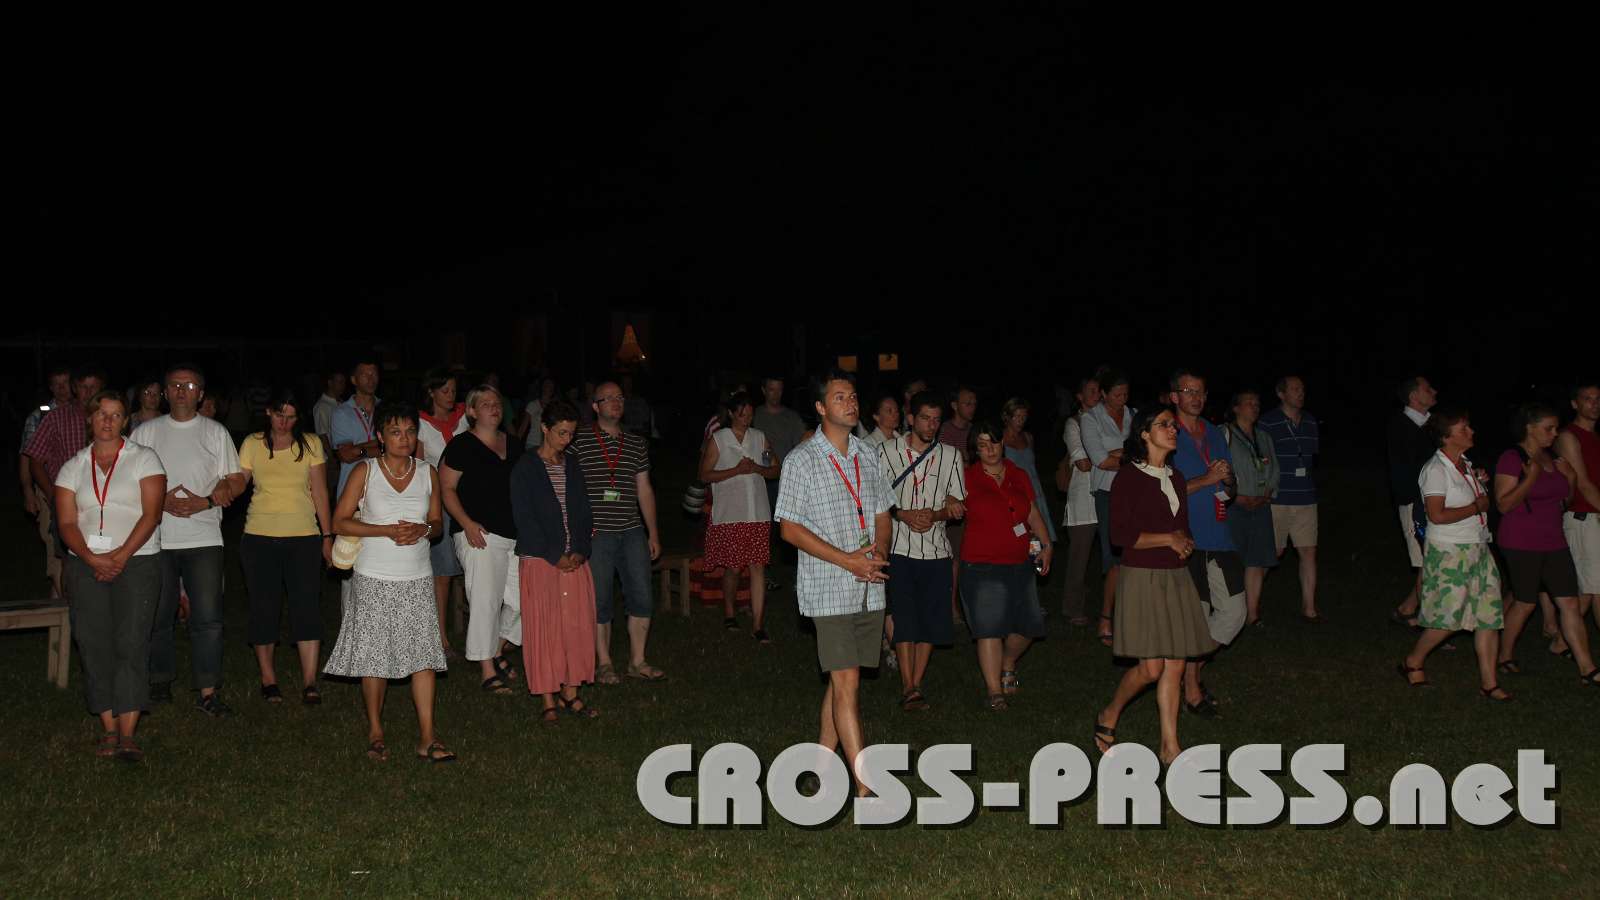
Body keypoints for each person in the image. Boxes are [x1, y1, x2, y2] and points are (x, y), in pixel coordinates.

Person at [774, 370, 893, 796]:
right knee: (847, 683)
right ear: (821, 407)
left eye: (854, 395)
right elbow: (789, 529)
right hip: (829, 588)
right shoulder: (801, 460)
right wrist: (848, 561)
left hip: (868, 585)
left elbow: (882, 512)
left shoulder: (867, 454)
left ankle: (821, 767)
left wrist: (877, 553)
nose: (851, 402)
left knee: (843, 679)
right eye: (840, 397)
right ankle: (864, 788)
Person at [325, 401, 454, 762]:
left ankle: (428, 737)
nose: (404, 438)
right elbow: (339, 521)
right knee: (374, 656)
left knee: (423, 657)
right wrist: (384, 530)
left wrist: (422, 529)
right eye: (396, 432)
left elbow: (437, 523)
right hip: (374, 576)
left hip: (417, 576)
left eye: (410, 431)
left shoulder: (428, 472)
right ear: (380, 436)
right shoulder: (365, 471)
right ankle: (376, 731)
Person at [1093, 406, 1216, 765]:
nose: (1172, 429)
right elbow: (1120, 536)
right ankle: (1109, 712)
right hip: (1142, 577)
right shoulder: (1128, 477)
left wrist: (1185, 542)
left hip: (1175, 577)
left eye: (1173, 425)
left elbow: (1180, 527)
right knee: (1151, 669)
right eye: (1164, 424)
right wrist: (1168, 539)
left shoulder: (1176, 478)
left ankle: (1169, 746)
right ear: (1144, 434)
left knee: (1175, 665)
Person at [55, 390, 166, 762]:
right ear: (90, 418)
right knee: (93, 642)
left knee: (131, 641)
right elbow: (66, 522)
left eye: (116, 415)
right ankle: (108, 727)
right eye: (101, 414)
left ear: (125, 421)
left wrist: (120, 556)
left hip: (137, 561)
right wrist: (91, 557)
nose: (107, 421)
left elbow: (151, 514)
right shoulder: (73, 466)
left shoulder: (144, 458)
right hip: (86, 563)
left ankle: (129, 732)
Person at [133, 365, 244, 716]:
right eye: (175, 385)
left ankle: (208, 691)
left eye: (190, 385)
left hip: (204, 537)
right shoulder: (146, 432)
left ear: (201, 393)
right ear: (166, 392)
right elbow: (128, 478)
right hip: (157, 539)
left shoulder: (215, 432)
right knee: (158, 615)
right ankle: (159, 681)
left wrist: (208, 500)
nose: (182, 391)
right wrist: (158, 500)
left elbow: (236, 479)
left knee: (208, 618)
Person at [1398, 407, 1510, 700]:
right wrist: (1475, 506)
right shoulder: (1435, 470)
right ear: (1446, 437)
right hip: (1450, 551)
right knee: (1449, 619)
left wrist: (1479, 487)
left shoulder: (1467, 465)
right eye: (1463, 429)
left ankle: (1489, 683)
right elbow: (1436, 515)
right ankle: (1413, 660)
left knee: (1488, 616)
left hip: (1478, 547)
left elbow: (1479, 500)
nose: (1471, 432)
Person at [237, 389, 334, 704]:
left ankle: (309, 681)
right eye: (280, 415)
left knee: (306, 606)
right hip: (259, 536)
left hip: (303, 536)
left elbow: (320, 491)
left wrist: (327, 536)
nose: (284, 422)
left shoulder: (311, 444)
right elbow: (239, 482)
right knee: (264, 607)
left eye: (291, 417)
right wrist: (219, 490)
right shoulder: (252, 443)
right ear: (268, 412)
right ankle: (268, 679)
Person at [1492, 403, 1597, 685]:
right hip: (1521, 541)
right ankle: (1504, 655)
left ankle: (1587, 668)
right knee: (1525, 603)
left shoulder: (1551, 458)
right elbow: (1503, 504)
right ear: (1530, 428)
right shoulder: (1512, 458)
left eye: (1555, 428)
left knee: (1570, 603)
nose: (1554, 434)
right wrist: (1531, 478)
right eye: (1548, 429)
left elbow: (1563, 502)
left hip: (1554, 541)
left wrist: (1571, 479)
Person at [510, 400, 599, 724]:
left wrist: (580, 549)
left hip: (574, 559)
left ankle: (570, 691)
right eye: (561, 432)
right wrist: (553, 555)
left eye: (571, 433)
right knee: (544, 627)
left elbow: (584, 511)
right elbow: (524, 518)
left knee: (576, 626)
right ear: (544, 428)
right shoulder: (526, 467)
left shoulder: (572, 465)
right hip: (541, 559)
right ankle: (548, 695)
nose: (566, 439)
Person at [571, 382, 666, 683]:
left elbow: (644, 489)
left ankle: (638, 661)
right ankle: (604, 663)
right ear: (595, 406)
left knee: (642, 595)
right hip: (597, 533)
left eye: (620, 397)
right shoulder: (579, 440)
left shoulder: (636, 443)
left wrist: (653, 533)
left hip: (631, 530)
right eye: (608, 398)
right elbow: (567, 485)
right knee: (600, 599)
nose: (616, 402)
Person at [879, 390, 966, 710]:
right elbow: (876, 499)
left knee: (930, 619)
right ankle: (908, 685)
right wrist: (902, 514)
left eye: (936, 420)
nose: (931, 425)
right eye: (925, 418)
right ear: (911, 419)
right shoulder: (886, 452)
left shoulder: (951, 456)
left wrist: (937, 514)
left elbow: (957, 504)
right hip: (899, 547)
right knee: (904, 616)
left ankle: (915, 683)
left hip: (936, 550)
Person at [960, 420, 1052, 710]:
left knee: (1029, 626)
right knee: (988, 628)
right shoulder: (966, 477)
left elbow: (1032, 513)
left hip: (1019, 561)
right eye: (982, 445)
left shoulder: (1018, 473)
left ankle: (1008, 661)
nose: (990, 449)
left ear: (1002, 443)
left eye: (994, 442)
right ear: (975, 449)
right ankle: (994, 691)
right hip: (981, 564)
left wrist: (1046, 545)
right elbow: (950, 504)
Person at [1167, 370, 1244, 719]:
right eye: (1189, 391)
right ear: (1174, 396)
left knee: (1235, 612)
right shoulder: (1166, 432)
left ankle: (1191, 672)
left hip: (1220, 535)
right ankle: (1192, 690)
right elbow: (1161, 491)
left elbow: (1230, 488)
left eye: (1201, 391)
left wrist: (1227, 480)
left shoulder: (1214, 432)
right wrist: (1206, 479)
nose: (1196, 397)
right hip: (1186, 539)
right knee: (1196, 617)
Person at [440, 385, 526, 695]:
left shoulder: (514, 444)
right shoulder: (462, 445)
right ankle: (487, 669)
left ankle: (496, 648)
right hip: (478, 534)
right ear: (472, 411)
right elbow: (446, 488)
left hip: (515, 534)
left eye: (497, 402)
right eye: (486, 403)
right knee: (485, 601)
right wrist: (466, 523)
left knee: (525, 600)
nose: (494, 407)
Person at [699, 391, 780, 640]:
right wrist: (735, 470)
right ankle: (729, 612)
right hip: (730, 513)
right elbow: (704, 475)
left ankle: (758, 625)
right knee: (733, 568)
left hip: (758, 513)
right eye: (742, 414)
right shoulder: (719, 439)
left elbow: (775, 469)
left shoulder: (759, 438)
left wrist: (756, 468)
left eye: (750, 414)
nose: (747, 419)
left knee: (757, 567)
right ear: (732, 414)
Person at [1259, 375, 1322, 621]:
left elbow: (1311, 458)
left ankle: (1309, 608)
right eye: (1295, 389)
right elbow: (1261, 460)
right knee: (1273, 553)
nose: (1300, 393)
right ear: (1281, 393)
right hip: (1278, 498)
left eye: (1302, 389)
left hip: (1306, 496)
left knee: (1308, 552)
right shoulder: (1268, 422)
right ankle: (1248, 603)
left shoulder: (1310, 421)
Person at [1081, 368, 1135, 646]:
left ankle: (1132, 616)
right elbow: (1100, 461)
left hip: (1137, 492)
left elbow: (1147, 450)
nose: (1122, 399)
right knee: (1115, 557)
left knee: (1136, 555)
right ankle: (1106, 618)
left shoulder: (1134, 415)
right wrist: (1130, 454)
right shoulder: (1091, 418)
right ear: (1103, 394)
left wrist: (1117, 454)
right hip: (1109, 493)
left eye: (1125, 394)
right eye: (1116, 395)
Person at [417, 368, 469, 654]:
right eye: (445, 391)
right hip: (439, 502)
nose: (451, 396)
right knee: (444, 570)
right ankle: (440, 635)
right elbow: (419, 468)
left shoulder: (464, 417)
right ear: (431, 392)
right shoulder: (422, 424)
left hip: (468, 499)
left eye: (453, 390)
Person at [1223, 389, 1281, 627]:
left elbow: (1274, 468)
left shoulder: (1264, 437)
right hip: (1235, 506)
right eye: (1249, 403)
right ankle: (1230, 612)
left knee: (1257, 560)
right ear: (1236, 408)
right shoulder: (1224, 434)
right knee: (1234, 559)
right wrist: (1234, 496)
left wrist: (1267, 493)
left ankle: (1252, 614)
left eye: (1257, 403)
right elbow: (1217, 467)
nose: (1255, 407)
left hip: (1260, 506)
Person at [1386, 376, 1439, 625]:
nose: (1434, 391)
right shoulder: (1400, 426)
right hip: (1415, 504)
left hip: (1438, 503)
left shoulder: (1435, 425)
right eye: (1428, 389)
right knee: (1426, 563)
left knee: (1432, 562)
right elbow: (1405, 472)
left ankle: (1408, 608)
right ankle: (1429, 624)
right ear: (1413, 396)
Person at [19, 365, 73, 597]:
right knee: (55, 548)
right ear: (51, 387)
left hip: (79, 493)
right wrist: (28, 491)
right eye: (57, 384)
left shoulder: (86, 411)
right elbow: (27, 455)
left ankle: (60, 605)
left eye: (66, 383)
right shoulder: (39, 416)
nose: (62, 389)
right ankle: (64, 604)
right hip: (48, 489)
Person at [1555, 381, 1600, 637]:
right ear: (1575, 403)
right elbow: (1583, 484)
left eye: (1598, 399)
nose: (1595, 404)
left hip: (1595, 517)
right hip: (1584, 519)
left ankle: (1562, 642)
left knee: (1588, 590)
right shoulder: (1568, 436)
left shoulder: (1595, 437)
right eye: (1588, 399)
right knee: (1594, 589)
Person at [1058, 376, 1101, 623]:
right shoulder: (1073, 423)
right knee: (1079, 559)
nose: (1097, 394)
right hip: (1083, 501)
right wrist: (1109, 457)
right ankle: (1072, 607)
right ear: (1080, 397)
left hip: (1109, 497)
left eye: (1099, 390)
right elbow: (1083, 463)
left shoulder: (1107, 422)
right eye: (1091, 391)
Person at [753, 376, 806, 577]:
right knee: (763, 527)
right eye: (771, 389)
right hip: (760, 479)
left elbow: (803, 443)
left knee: (789, 526)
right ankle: (763, 573)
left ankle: (796, 572)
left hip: (785, 479)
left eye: (779, 390)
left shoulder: (791, 417)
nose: (776, 394)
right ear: (763, 390)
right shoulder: (754, 415)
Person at [1000, 397, 1055, 543]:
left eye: (1024, 417)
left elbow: (1031, 467)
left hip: (1034, 492)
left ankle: (1038, 556)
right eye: (1017, 416)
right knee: (1020, 536)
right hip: (1015, 495)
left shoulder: (1028, 437)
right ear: (1007, 417)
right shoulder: (999, 440)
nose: (1021, 421)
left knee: (1038, 538)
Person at [516, 376, 558, 449]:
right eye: (547, 384)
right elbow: (523, 427)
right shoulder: (533, 404)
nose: (550, 387)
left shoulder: (555, 406)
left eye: (551, 385)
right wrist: (515, 444)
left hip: (549, 445)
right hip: (532, 443)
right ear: (542, 387)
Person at [313, 369, 346, 446]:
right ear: (330, 383)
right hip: (333, 451)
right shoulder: (322, 406)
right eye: (340, 382)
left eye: (344, 382)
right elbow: (322, 436)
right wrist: (331, 453)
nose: (343, 385)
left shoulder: (342, 403)